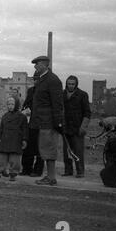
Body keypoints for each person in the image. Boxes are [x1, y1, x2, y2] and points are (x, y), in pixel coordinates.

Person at [29, 56, 64, 186]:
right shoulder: (44, 79)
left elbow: (57, 104)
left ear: (44, 65)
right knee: (44, 148)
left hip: (48, 122)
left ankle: (51, 177)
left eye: (36, 64)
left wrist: (58, 122)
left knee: (48, 149)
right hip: (42, 121)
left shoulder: (52, 80)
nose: (35, 67)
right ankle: (49, 176)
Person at [62, 75, 91, 178]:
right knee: (67, 152)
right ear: (66, 83)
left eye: (72, 84)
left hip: (78, 128)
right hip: (66, 128)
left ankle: (80, 171)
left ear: (76, 84)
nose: (70, 86)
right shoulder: (62, 94)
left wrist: (83, 127)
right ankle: (68, 170)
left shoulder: (82, 95)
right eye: (69, 83)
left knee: (78, 151)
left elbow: (87, 112)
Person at [0, 97, 28, 181]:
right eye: (9, 104)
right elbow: (1, 128)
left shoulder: (22, 117)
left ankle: (13, 173)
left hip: (16, 140)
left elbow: (25, 129)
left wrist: (24, 140)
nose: (10, 106)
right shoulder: (5, 116)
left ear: (16, 105)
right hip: (5, 140)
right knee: (2, 158)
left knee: (15, 159)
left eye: (12, 104)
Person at [20, 71, 44, 177]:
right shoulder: (31, 91)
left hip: (40, 124)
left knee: (39, 149)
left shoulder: (45, 92)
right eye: (34, 79)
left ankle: (37, 170)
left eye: (38, 79)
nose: (36, 81)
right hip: (30, 124)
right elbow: (26, 104)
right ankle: (26, 169)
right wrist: (25, 110)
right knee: (27, 148)